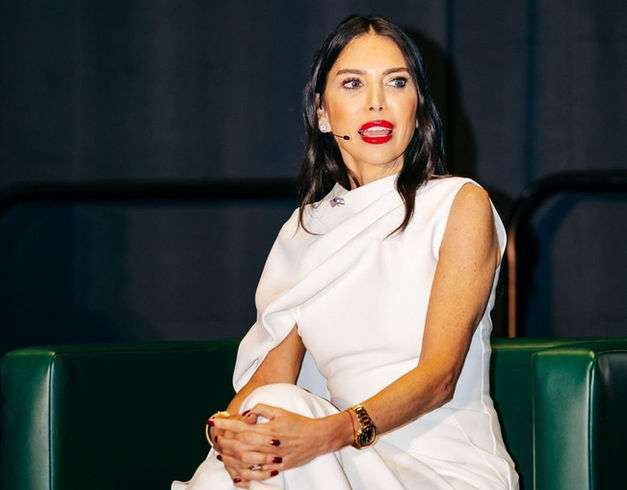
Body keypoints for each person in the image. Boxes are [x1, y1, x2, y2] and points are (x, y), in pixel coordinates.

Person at [173, 14, 519, 490]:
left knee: (284, 419)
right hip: (331, 461)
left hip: (443, 470)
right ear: (322, 112)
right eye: (353, 84)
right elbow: (268, 383)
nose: (377, 102)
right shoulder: (307, 229)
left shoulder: (458, 203)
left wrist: (327, 434)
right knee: (270, 414)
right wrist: (227, 435)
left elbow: (439, 377)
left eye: (396, 82)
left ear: (417, 106)